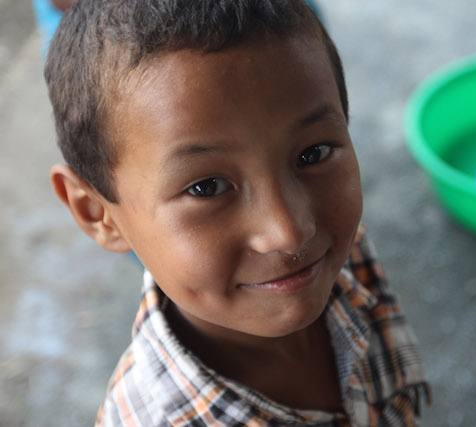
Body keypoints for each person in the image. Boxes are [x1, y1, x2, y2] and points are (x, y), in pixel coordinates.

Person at [44, 0, 430, 425]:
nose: (290, 231)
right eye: (206, 187)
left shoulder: (348, 255)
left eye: (313, 153)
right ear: (97, 212)